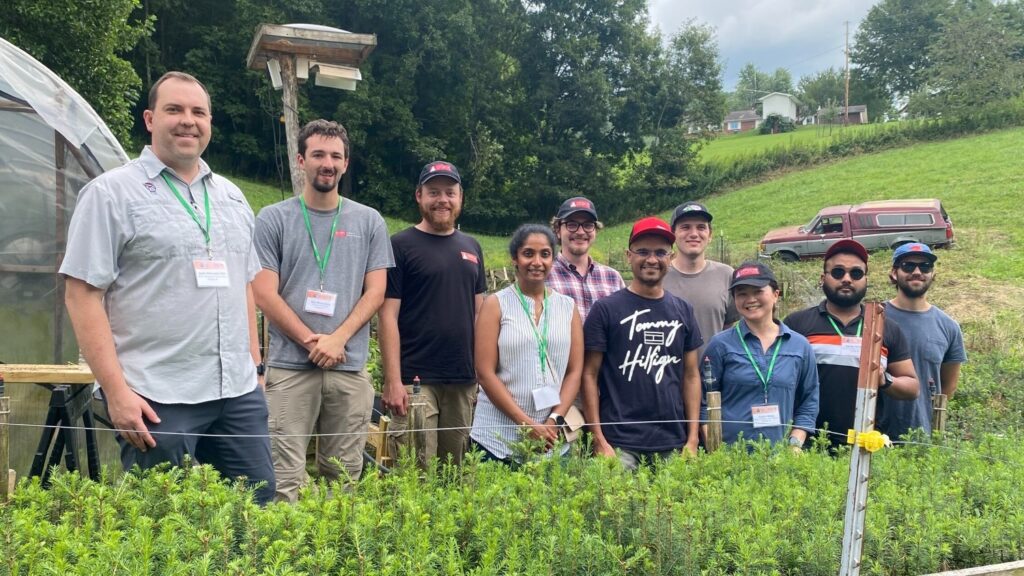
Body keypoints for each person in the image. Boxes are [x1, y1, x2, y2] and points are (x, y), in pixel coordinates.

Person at [60, 71, 275, 504]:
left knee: (257, 513)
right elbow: (82, 294)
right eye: (174, 109)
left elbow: (244, 288)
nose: (187, 121)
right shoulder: (111, 195)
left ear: (210, 122)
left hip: (236, 392)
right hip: (157, 395)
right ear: (149, 119)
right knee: (163, 524)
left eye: (198, 112)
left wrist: (253, 369)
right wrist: (117, 394)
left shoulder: (233, 198)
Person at [253, 119, 394, 501]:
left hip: (348, 368)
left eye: (335, 156)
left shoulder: (368, 222)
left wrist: (338, 338)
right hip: (289, 368)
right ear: (301, 160)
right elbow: (263, 292)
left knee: (343, 479)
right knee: (283, 479)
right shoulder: (273, 219)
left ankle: (332, 560)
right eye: (317, 154)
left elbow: (376, 290)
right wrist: (311, 341)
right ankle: (284, 558)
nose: (326, 163)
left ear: (346, 163)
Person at [379, 160, 485, 467]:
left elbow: (480, 315)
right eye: (433, 192)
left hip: (462, 380)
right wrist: (392, 380)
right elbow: (387, 316)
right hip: (415, 381)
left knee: (456, 472)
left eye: (450, 192)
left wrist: (479, 376)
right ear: (418, 196)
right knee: (415, 473)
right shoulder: (400, 246)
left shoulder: (472, 247)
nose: (442, 200)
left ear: (460, 197)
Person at [582, 216, 703, 469]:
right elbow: (589, 375)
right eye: (643, 251)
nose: (651, 259)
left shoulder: (683, 310)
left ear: (670, 257)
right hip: (619, 444)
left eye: (660, 252)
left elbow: (691, 376)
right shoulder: (605, 310)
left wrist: (692, 440)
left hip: (673, 444)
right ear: (628, 256)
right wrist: (598, 439)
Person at [783, 239, 919, 449]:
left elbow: (912, 387)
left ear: (865, 279)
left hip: (867, 448)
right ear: (822, 278)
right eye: (838, 272)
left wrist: (884, 379)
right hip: (806, 446)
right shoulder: (796, 324)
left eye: (855, 274)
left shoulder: (886, 328)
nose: (847, 279)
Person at [471, 224, 583, 463]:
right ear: (515, 258)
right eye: (528, 253)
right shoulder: (496, 304)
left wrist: (553, 421)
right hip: (496, 438)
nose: (537, 262)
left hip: (551, 440)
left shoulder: (567, 307)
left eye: (545, 254)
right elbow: (485, 372)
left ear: (553, 258)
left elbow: (574, 371)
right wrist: (526, 424)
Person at [703, 261, 819, 447]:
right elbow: (704, 401)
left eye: (758, 291)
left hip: (781, 458)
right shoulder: (720, 345)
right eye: (742, 294)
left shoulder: (800, 346)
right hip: (730, 456)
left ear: (775, 294)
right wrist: (715, 451)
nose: (750, 299)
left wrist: (794, 445)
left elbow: (809, 401)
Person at [876, 243, 967, 439]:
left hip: (923, 439)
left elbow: (948, 387)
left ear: (933, 274)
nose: (917, 272)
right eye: (908, 266)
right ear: (894, 273)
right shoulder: (874, 318)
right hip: (873, 437)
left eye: (925, 267)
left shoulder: (949, 327)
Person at [662, 201, 738, 357]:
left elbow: (728, 327)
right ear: (673, 234)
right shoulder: (659, 276)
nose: (694, 233)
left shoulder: (727, 275)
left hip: (713, 376)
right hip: (666, 377)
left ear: (710, 235)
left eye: (701, 227)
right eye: (685, 227)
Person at [546, 196, 625, 322]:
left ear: (595, 231)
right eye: (572, 224)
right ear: (558, 230)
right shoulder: (543, 275)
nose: (581, 232)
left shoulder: (613, 278)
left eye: (588, 225)